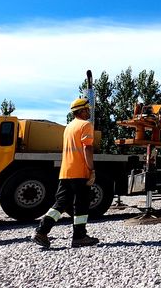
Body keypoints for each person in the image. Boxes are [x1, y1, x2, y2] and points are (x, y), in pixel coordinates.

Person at [33, 98, 99, 248]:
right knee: (81, 204)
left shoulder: (68, 127)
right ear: (81, 111)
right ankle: (79, 237)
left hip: (66, 171)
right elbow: (87, 148)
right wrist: (91, 169)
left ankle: (41, 231)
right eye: (87, 109)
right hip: (80, 171)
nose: (89, 111)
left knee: (61, 203)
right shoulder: (86, 125)